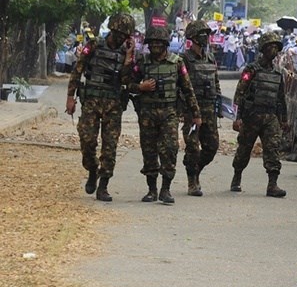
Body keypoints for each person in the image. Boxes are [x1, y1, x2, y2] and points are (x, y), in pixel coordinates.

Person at [65, 13, 136, 202]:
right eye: (118, 33)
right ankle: (92, 169)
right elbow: (78, 69)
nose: (121, 37)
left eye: (125, 35)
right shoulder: (95, 45)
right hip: (92, 101)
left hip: (113, 104)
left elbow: (128, 81)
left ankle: (103, 185)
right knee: (87, 140)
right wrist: (70, 97)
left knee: (110, 146)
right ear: (112, 30)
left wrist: (129, 59)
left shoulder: (126, 53)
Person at [129, 26, 202, 204]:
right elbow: (127, 83)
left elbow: (187, 89)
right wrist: (140, 87)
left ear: (165, 44)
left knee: (170, 149)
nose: (154, 46)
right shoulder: (142, 62)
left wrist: (196, 113)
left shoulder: (177, 63)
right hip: (147, 113)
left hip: (169, 113)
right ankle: (152, 190)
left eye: (158, 43)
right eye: (151, 43)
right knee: (149, 151)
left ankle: (165, 189)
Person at [230, 31, 288, 197]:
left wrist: (284, 119)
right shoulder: (251, 70)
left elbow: (281, 98)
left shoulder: (278, 73)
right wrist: (237, 117)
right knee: (244, 149)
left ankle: (272, 184)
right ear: (263, 49)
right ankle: (237, 176)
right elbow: (239, 93)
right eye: (270, 47)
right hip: (252, 116)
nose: (273, 50)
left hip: (270, 117)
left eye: (276, 47)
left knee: (272, 149)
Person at [180, 20, 221, 197]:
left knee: (212, 146)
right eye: (202, 34)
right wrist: (184, 110)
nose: (205, 38)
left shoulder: (211, 58)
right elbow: (181, 85)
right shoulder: (184, 59)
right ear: (193, 38)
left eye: (207, 34)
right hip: (192, 111)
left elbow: (216, 82)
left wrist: (219, 104)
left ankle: (195, 169)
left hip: (209, 109)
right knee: (193, 147)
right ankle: (192, 181)